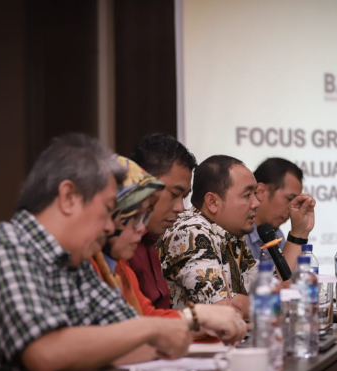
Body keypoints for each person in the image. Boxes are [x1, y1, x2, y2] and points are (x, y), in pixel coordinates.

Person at [0, 134, 241, 371]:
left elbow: (129, 337)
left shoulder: (74, 262)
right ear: (69, 197)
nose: (108, 228)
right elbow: (46, 354)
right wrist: (167, 325)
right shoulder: (7, 250)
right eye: (106, 210)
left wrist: (171, 331)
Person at [91, 155, 246, 341]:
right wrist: (195, 318)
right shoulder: (189, 231)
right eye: (134, 217)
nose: (141, 228)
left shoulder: (120, 265)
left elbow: (147, 317)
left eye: (145, 217)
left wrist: (199, 322)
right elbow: (109, 339)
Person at [158, 155, 259, 316]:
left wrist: (298, 234)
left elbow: (264, 286)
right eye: (247, 195)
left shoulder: (231, 234)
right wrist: (275, 304)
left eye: (255, 194)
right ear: (212, 202)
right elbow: (221, 306)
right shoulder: (190, 231)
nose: (256, 203)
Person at [128, 133, 196, 309]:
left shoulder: (152, 239)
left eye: (184, 197)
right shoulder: (121, 242)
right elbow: (137, 322)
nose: (180, 208)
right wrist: (194, 319)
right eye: (174, 194)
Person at [245, 157, 316, 270]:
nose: (292, 208)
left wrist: (300, 232)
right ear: (261, 191)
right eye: (289, 199)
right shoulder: (239, 235)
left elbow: (286, 283)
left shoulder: (277, 236)